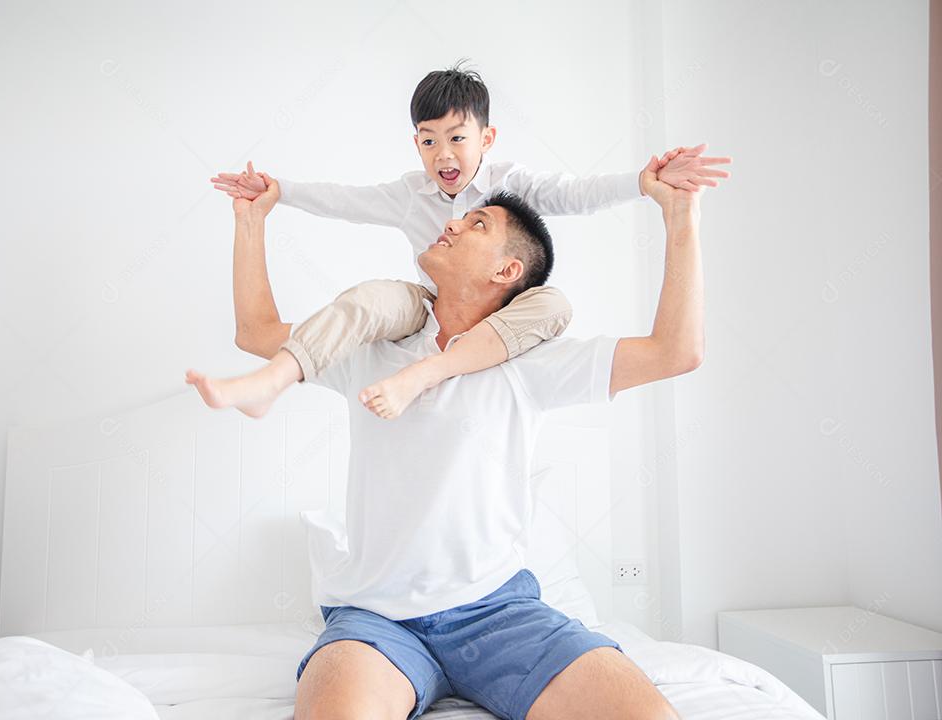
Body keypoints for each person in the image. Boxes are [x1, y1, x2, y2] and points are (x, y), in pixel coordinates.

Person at [185, 146, 715, 719]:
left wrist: (679, 215)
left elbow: (675, 352)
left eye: (477, 224)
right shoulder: (371, 350)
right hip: (376, 620)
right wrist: (251, 219)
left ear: (507, 271)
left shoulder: (531, 364)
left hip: (500, 614)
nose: (452, 220)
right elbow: (257, 332)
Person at [203, 62, 729, 420]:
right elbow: (346, 201)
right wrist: (281, 193)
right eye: (429, 142)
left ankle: (435, 369)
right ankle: (273, 381)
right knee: (379, 298)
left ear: (487, 138)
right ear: (416, 144)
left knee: (552, 300)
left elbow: (577, 194)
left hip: (501, 321)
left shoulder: (512, 185)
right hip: (426, 306)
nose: (443, 155)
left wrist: (643, 184)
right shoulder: (411, 195)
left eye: (457, 138)